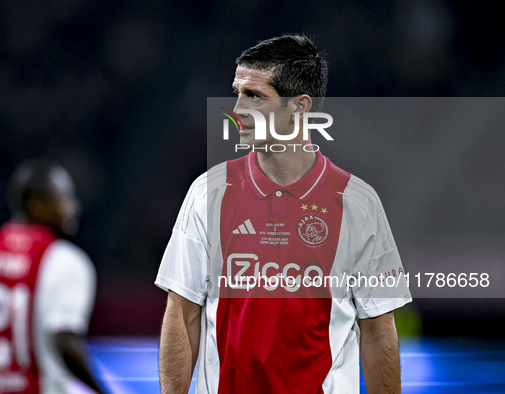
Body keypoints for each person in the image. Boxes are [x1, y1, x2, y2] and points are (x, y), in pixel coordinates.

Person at [155, 35, 412, 394]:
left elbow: (378, 330)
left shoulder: (358, 203)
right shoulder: (207, 192)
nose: (237, 109)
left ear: (299, 106)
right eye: (237, 92)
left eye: (255, 96)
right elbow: (182, 315)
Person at [0, 159, 108, 394]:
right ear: (36, 204)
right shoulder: (65, 260)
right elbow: (64, 341)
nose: (72, 207)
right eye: (63, 197)